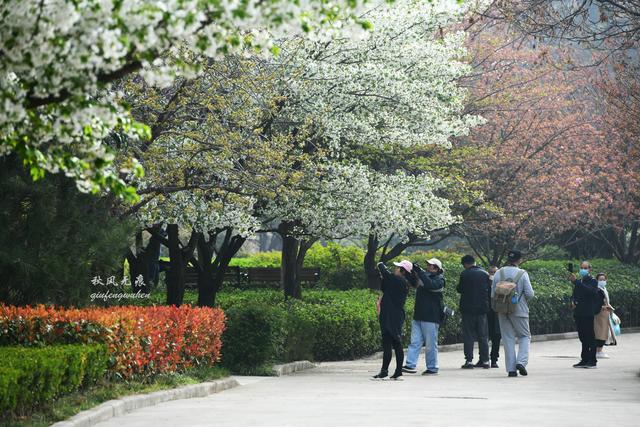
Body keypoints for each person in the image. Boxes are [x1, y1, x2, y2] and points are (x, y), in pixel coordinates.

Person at [491, 250, 534, 377]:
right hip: (519, 310)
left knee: (507, 338)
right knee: (524, 336)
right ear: (519, 260)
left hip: (502, 310)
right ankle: (521, 362)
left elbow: (493, 294)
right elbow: (530, 294)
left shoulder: (499, 273)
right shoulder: (522, 273)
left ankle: (511, 369)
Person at [402, 258, 445, 375]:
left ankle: (432, 368)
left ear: (436, 268)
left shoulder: (440, 280)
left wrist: (420, 272)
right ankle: (410, 365)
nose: (428, 266)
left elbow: (430, 285)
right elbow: (413, 283)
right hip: (419, 315)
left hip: (431, 317)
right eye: (428, 265)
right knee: (415, 342)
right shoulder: (424, 276)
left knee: (430, 344)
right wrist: (409, 271)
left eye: (431, 265)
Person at [373, 260, 410, 380]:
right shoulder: (397, 281)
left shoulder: (400, 280)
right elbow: (385, 287)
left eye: (398, 267)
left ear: (403, 271)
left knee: (396, 343)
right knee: (388, 343)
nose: (395, 269)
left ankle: (397, 372)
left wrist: (380, 265)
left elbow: (386, 273)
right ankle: (385, 371)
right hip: (389, 315)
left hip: (393, 316)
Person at [457, 255, 491, 369]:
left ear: (465, 264)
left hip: (467, 310)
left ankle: (469, 361)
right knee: (483, 335)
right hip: (482, 309)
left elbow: (459, 289)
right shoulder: (485, 274)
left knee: (469, 335)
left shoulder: (464, 274)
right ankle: (485, 360)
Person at [569, 261, 604, 369]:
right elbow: (575, 295)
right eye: (581, 268)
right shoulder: (579, 281)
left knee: (590, 336)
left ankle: (592, 360)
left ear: (590, 270)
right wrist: (573, 301)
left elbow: (590, 291)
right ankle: (584, 359)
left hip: (588, 313)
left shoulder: (592, 281)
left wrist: (576, 282)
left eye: (585, 268)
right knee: (582, 337)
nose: (582, 270)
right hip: (579, 312)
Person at [594, 273, 613, 359]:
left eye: (604, 279)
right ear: (597, 280)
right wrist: (605, 307)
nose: (602, 281)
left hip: (605, 314)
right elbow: (595, 304)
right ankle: (598, 351)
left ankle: (600, 350)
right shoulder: (597, 290)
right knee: (600, 333)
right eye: (600, 279)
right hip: (599, 315)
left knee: (604, 333)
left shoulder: (604, 289)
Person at [487, 265, 501, 368]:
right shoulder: (484, 285)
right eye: (491, 272)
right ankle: (483, 358)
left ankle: (494, 359)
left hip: (498, 315)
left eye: (495, 272)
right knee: (484, 338)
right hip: (487, 314)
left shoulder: (501, 285)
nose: (493, 275)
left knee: (496, 338)